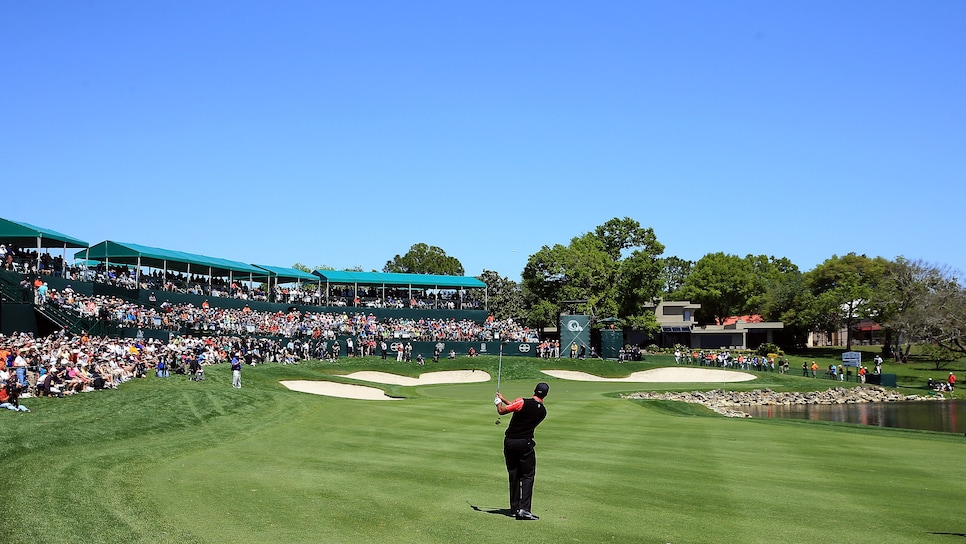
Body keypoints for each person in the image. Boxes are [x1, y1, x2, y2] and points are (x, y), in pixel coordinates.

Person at [494, 382, 550, 521]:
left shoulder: (522, 402)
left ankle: (514, 509)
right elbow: (517, 406)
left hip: (510, 442)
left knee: (514, 475)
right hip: (525, 443)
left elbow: (503, 410)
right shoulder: (543, 412)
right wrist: (504, 399)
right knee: (527, 476)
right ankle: (523, 509)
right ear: (546, 395)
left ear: (534, 390)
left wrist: (497, 402)